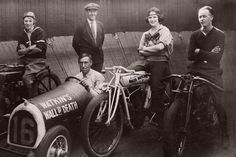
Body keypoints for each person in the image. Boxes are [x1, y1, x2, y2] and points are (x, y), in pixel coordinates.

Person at [187, 6, 229, 147]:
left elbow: (216, 58)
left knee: (219, 102)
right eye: (200, 17)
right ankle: (187, 126)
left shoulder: (220, 34)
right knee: (184, 92)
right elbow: (190, 56)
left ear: (211, 17)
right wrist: (207, 53)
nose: (201, 19)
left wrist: (200, 51)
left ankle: (225, 136)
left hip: (212, 70)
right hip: (196, 68)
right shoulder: (195, 35)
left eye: (204, 16)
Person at [128, 7, 173, 128]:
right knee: (128, 74)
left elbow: (160, 48)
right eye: (150, 17)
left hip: (160, 62)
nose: (152, 19)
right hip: (146, 61)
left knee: (156, 89)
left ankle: (160, 122)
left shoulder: (165, 30)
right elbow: (140, 51)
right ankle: (139, 109)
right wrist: (151, 50)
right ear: (147, 19)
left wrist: (147, 49)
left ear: (159, 17)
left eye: (154, 17)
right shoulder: (146, 34)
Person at [16, 11, 47, 98]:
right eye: (26, 21)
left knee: (26, 77)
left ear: (34, 21)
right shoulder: (22, 34)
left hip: (38, 60)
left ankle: (31, 99)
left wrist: (25, 50)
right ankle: (20, 96)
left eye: (30, 21)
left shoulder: (40, 32)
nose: (28, 23)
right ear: (23, 22)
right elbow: (19, 51)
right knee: (13, 74)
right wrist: (30, 48)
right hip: (25, 60)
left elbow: (39, 49)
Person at [72, 3, 105, 72]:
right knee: (86, 81)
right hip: (85, 62)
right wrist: (83, 55)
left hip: (98, 61)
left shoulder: (100, 25)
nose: (92, 13)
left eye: (94, 11)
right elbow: (75, 44)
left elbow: (101, 42)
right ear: (86, 12)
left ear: (97, 12)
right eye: (90, 11)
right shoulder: (80, 27)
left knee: (97, 80)